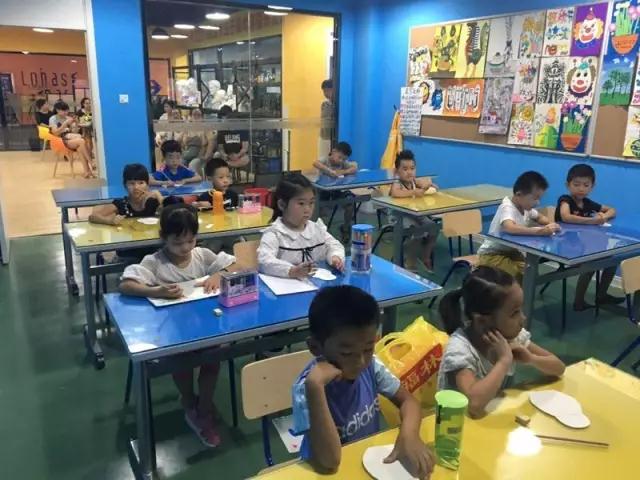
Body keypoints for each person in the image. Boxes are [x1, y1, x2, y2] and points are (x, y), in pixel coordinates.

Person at [119, 203, 241, 448]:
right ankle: (188, 400)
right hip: (174, 333)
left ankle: (203, 409)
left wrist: (218, 275)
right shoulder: (155, 262)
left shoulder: (202, 255)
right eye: (177, 242)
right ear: (163, 238)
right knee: (182, 365)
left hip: (206, 327)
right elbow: (125, 285)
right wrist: (156, 290)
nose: (185, 248)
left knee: (212, 360)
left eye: (190, 240)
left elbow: (236, 265)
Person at [292, 286, 434, 477]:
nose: (360, 362)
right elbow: (330, 461)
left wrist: (409, 435)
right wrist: (315, 387)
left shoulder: (371, 365)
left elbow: (409, 401)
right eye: (347, 353)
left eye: (368, 349)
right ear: (315, 347)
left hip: (365, 462)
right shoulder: (306, 388)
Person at [437, 266, 565, 418]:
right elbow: (474, 405)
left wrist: (532, 359)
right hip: (457, 423)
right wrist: (504, 361)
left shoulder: (512, 336)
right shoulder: (460, 349)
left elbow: (559, 368)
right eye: (514, 313)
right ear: (482, 320)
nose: (523, 318)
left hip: (491, 416)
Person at [555, 164, 623, 311]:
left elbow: (612, 210)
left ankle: (601, 295)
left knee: (612, 260)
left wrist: (603, 217)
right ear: (568, 185)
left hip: (583, 247)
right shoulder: (565, 200)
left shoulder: (587, 203)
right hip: (565, 248)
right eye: (576, 184)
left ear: (592, 186)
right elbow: (566, 217)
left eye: (586, 185)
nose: (581, 189)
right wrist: (592, 221)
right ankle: (578, 302)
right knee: (591, 264)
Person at [477, 171, 561, 283]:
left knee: (529, 274)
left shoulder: (526, 208)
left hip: (511, 251)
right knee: (515, 277)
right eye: (535, 198)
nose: (537, 202)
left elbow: (539, 217)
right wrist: (539, 231)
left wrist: (550, 224)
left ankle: (523, 293)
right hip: (491, 254)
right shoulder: (507, 207)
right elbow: (509, 227)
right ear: (519, 194)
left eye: (539, 198)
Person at [257, 173, 345, 279]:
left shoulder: (316, 229)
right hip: (287, 286)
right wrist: (292, 271)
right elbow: (264, 260)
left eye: (311, 203)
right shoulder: (275, 233)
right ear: (282, 205)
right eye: (301, 203)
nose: (307, 209)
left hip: (317, 283)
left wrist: (335, 257)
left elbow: (334, 245)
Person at [389, 150, 440, 272]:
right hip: (400, 216)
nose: (409, 172)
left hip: (415, 214)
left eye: (412, 168)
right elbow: (395, 193)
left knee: (433, 227)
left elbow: (429, 186)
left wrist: (430, 185)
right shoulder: (397, 182)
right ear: (397, 171)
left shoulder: (413, 181)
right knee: (418, 231)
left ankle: (426, 256)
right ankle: (410, 262)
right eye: (405, 169)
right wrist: (414, 192)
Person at [89, 163, 163, 225]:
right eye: (131, 183)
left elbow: (169, 214)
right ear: (125, 185)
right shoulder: (122, 204)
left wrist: (159, 196)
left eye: (141, 183)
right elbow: (93, 216)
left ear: (147, 185)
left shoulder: (153, 202)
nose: (136, 187)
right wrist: (109, 221)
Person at [313, 141, 357, 243]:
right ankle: (318, 232)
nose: (341, 161)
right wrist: (329, 171)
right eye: (339, 157)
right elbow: (315, 163)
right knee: (319, 209)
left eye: (344, 159)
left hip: (337, 191)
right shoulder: (326, 160)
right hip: (323, 191)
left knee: (350, 203)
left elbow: (354, 168)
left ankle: (345, 228)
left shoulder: (343, 163)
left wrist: (342, 172)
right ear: (333, 152)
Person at [49, 100, 95, 178]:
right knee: (81, 141)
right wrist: (65, 124)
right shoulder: (53, 118)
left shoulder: (68, 118)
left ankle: (87, 172)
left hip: (70, 139)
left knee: (81, 145)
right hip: (59, 141)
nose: (66, 112)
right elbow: (55, 133)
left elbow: (75, 132)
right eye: (64, 110)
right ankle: (91, 163)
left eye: (67, 110)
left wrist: (76, 123)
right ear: (57, 110)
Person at [183, 108, 216, 177]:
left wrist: (206, 156)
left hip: (201, 155)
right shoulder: (188, 128)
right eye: (194, 115)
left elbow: (211, 142)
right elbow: (184, 142)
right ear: (191, 117)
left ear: (202, 117)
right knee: (179, 164)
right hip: (188, 154)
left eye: (198, 115)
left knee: (193, 164)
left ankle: (198, 181)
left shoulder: (206, 128)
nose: (196, 117)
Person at [216, 105, 250, 169]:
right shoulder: (221, 130)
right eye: (223, 117)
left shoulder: (242, 129)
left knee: (246, 159)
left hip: (239, 155)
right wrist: (225, 156)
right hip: (226, 156)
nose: (224, 119)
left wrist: (238, 155)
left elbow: (245, 148)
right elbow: (220, 148)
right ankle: (227, 165)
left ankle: (227, 165)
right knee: (216, 156)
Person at [319, 79, 334, 158]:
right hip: (323, 137)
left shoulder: (337, 104)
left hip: (332, 137)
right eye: (324, 91)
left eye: (327, 91)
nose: (325, 93)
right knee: (323, 158)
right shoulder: (324, 104)